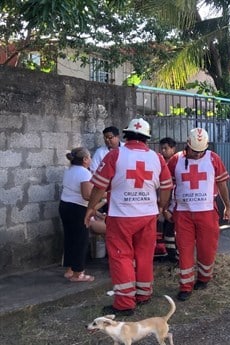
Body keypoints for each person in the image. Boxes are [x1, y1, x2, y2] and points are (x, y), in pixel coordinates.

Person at [84, 118, 173, 316]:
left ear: (126, 135)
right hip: (148, 215)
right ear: (146, 139)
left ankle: (124, 303)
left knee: (121, 256)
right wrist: (161, 206)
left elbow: (99, 186)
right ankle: (143, 294)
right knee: (144, 254)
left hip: (121, 215)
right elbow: (167, 186)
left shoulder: (115, 155)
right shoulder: (157, 158)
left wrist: (90, 209)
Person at [166, 128, 230, 301]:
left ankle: (204, 278)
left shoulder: (213, 158)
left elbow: (222, 184)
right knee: (185, 250)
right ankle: (185, 286)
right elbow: (167, 186)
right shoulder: (176, 160)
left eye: (200, 151)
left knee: (207, 249)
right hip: (183, 213)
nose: (197, 155)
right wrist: (165, 208)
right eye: (194, 151)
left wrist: (228, 206)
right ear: (188, 145)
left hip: (207, 212)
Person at [60, 147, 96, 282]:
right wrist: (104, 194)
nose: (91, 159)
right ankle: (78, 273)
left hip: (65, 205)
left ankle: (69, 270)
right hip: (78, 208)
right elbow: (87, 195)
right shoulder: (84, 173)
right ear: (85, 159)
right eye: (90, 157)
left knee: (70, 239)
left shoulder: (69, 170)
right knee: (81, 240)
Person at [157, 137, 179, 263]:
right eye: (162, 148)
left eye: (166, 148)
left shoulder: (177, 163)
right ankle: (170, 255)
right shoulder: (161, 163)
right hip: (165, 202)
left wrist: (167, 208)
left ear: (173, 149)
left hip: (174, 204)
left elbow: (173, 188)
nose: (163, 151)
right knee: (166, 231)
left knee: (172, 231)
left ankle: (175, 257)